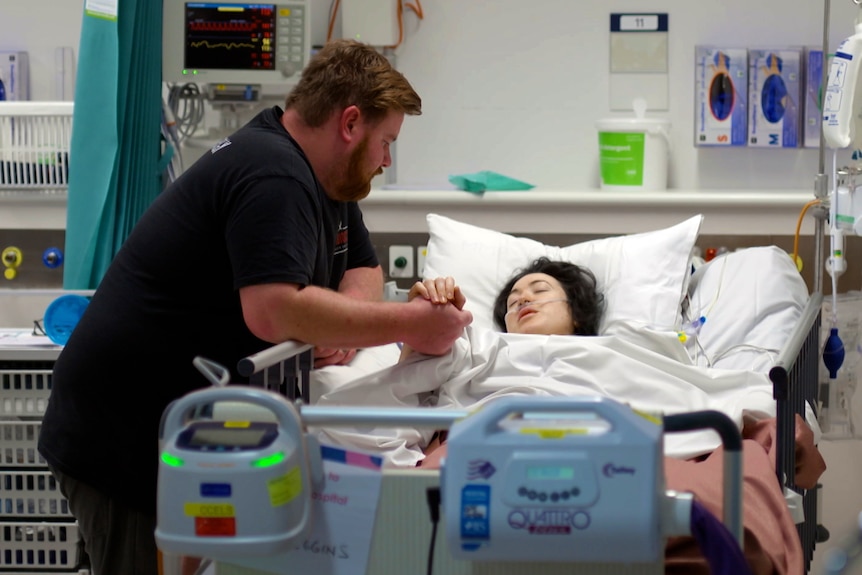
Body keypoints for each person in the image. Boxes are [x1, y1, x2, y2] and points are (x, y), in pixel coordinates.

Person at [37, 39, 472, 575]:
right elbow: (272, 310)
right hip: (121, 434)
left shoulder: (328, 177)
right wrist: (411, 325)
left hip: (185, 428)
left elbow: (363, 267)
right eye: (386, 142)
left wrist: (335, 329)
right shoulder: (273, 174)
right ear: (350, 122)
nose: (385, 160)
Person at [411, 259, 825, 575]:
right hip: (502, 443)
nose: (522, 300)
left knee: (712, 498)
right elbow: (418, 378)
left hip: (620, 443)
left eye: (539, 290)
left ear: (576, 311)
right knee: (427, 496)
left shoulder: (621, 348)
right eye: (513, 300)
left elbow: (685, 389)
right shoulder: (481, 350)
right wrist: (424, 316)